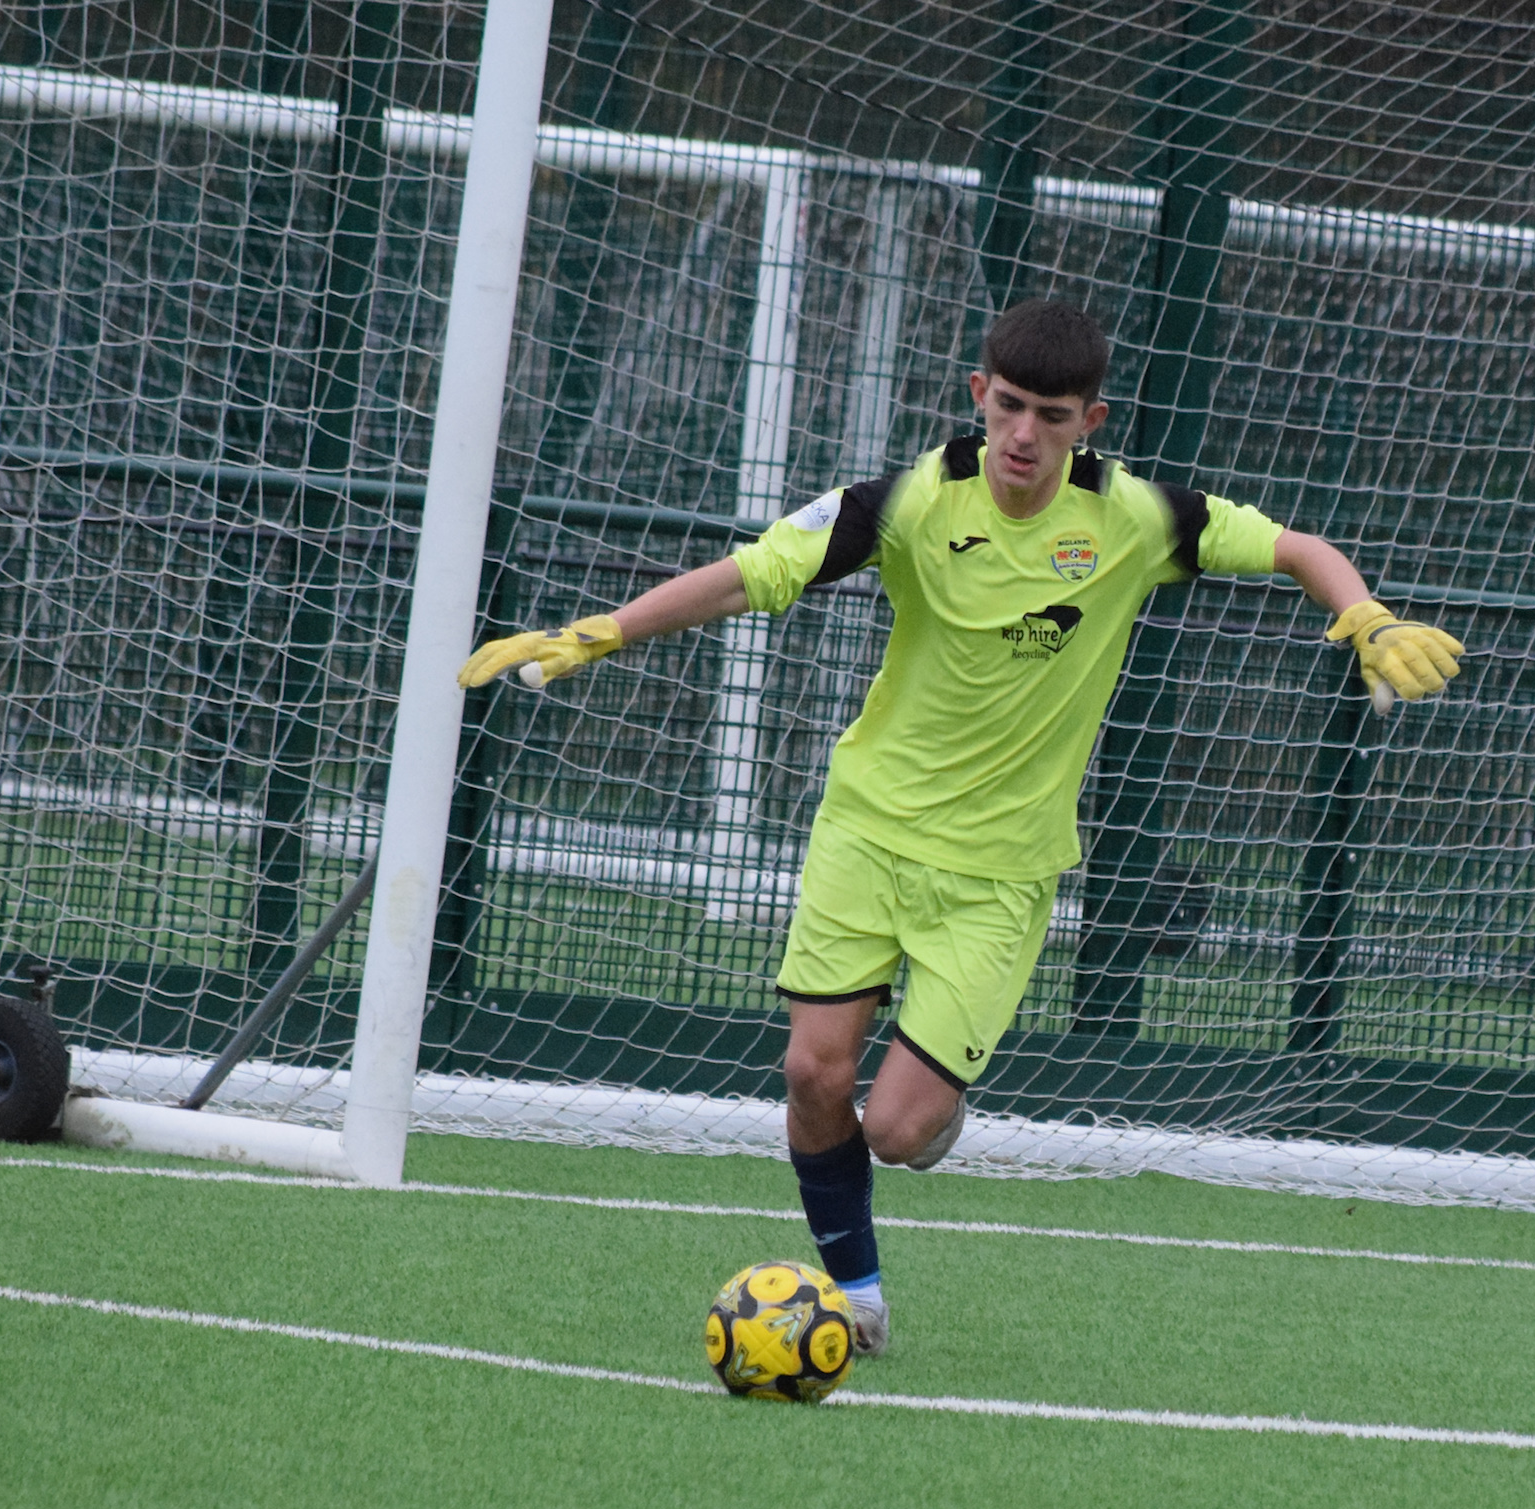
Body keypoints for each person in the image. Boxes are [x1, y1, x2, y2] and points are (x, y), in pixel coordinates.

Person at [458, 298, 1462, 1354]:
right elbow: (754, 571)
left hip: (1001, 874)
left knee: (896, 1128)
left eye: (1054, 415)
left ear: (1092, 422)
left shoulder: (1137, 518)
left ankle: (933, 1115)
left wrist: (1368, 617)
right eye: (1011, 406)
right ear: (979, 395)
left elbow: (1301, 547)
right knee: (811, 1073)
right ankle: (859, 1291)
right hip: (869, 828)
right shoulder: (903, 503)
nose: (1026, 435)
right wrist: (602, 631)